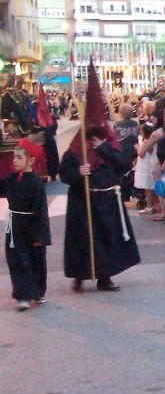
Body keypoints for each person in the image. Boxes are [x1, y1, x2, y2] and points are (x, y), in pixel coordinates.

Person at [59, 127, 141, 292]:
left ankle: (105, 277)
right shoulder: (75, 151)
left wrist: (104, 148)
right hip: (82, 201)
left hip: (107, 200)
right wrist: (78, 172)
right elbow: (64, 174)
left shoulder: (109, 146)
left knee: (107, 238)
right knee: (83, 239)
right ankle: (79, 275)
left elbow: (123, 165)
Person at [2, 145, 50, 311]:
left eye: (19, 157)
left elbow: (41, 211)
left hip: (32, 226)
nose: (15, 160)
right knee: (17, 260)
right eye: (14, 157)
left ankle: (36, 291)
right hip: (15, 226)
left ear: (31, 160)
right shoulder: (11, 179)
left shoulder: (36, 183)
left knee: (35, 261)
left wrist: (40, 236)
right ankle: (23, 295)